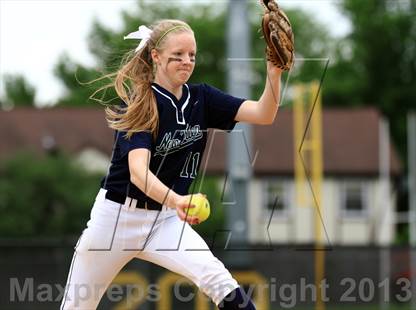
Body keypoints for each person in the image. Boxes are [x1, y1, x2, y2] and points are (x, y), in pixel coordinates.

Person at [60, 19, 282, 310]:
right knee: (77, 306)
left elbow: (263, 114)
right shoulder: (141, 103)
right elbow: (139, 174)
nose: (186, 61)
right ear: (156, 56)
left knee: (221, 283)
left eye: (191, 55)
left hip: (164, 220)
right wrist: (177, 200)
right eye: (177, 54)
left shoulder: (202, 98)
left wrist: (274, 75)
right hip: (116, 219)